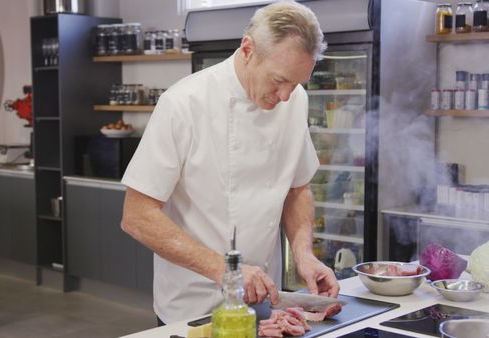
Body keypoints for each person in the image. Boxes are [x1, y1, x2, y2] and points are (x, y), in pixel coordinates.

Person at [120, 0, 340, 325]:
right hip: (193, 305)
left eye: (296, 83)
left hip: (264, 304)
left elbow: (298, 188)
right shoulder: (183, 104)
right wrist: (226, 271)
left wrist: (303, 254)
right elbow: (137, 217)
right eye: (278, 80)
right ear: (248, 49)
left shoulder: (294, 102)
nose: (285, 96)